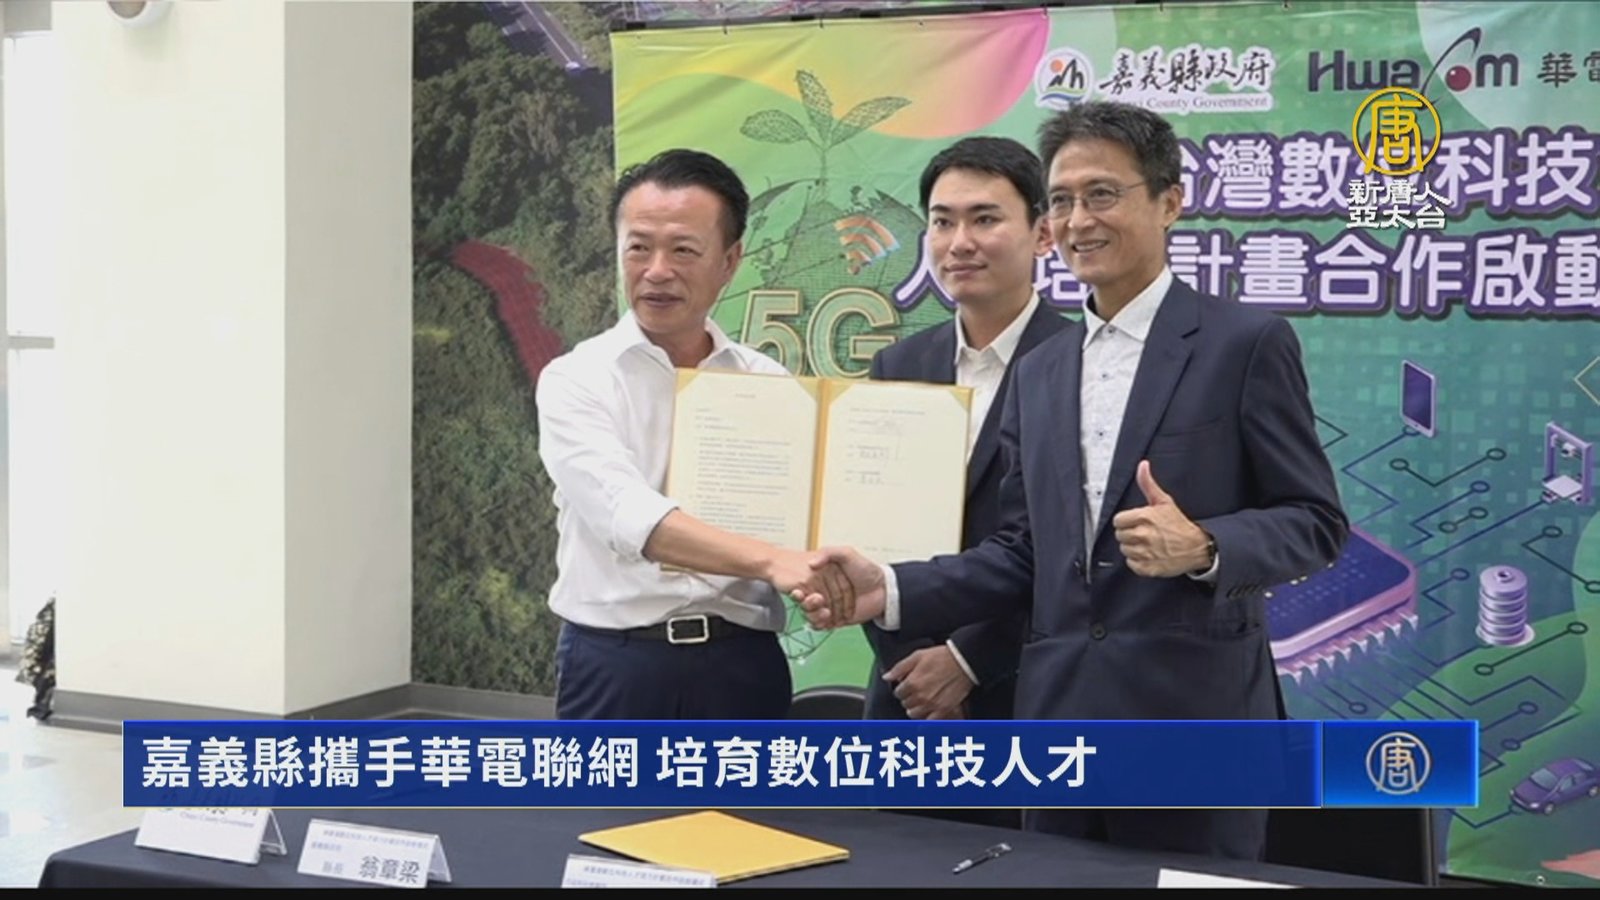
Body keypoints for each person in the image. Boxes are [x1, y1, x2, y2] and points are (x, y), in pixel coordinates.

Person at [797, 102, 1348, 860]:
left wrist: (1205, 545)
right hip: (1057, 726)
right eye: (1062, 200)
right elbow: (1025, 551)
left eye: (1102, 195)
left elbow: (1315, 521)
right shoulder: (1044, 370)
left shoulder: (1243, 343)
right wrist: (889, 589)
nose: (1079, 221)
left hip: (1194, 720)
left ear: (1169, 202)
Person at [536, 148, 846, 720]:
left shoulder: (767, 381)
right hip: (618, 665)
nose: (657, 271)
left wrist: (831, 576)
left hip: (742, 663)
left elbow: (800, 515)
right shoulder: (575, 379)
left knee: (750, 789)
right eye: (639, 248)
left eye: (683, 250)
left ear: (729, 261)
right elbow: (627, 515)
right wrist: (775, 562)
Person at [863, 137, 1065, 729]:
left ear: (1043, 234)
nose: (959, 243)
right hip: (906, 697)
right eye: (942, 222)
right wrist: (910, 665)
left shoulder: (1080, 363)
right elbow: (869, 528)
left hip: (1030, 690)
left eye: (985, 219)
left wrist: (968, 660)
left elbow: (1075, 553)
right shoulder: (898, 366)